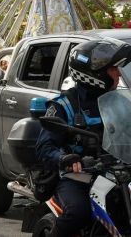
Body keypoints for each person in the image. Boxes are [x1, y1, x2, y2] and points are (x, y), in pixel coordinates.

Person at [36, 39, 131, 236]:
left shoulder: (121, 102)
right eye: (113, 70)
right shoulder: (64, 105)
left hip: (117, 173)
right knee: (78, 213)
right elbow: (45, 147)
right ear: (95, 74)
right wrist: (65, 159)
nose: (119, 74)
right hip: (78, 175)